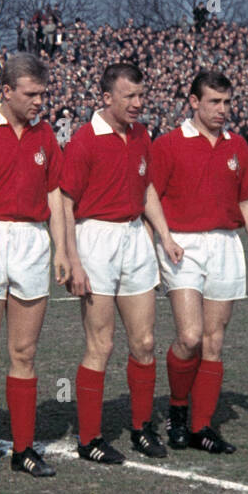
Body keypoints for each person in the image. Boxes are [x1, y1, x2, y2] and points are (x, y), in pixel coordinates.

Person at [63, 62, 181, 461]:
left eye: (140, 96)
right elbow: (64, 201)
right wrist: (71, 258)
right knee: (101, 344)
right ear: (106, 97)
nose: (137, 103)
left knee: (144, 341)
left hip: (135, 238)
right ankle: (89, 439)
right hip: (96, 238)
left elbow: (145, 185)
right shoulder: (84, 140)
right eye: (128, 96)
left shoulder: (142, 134)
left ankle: (141, 428)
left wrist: (164, 235)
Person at [0, 53, 68, 477]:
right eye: (31, 94)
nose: (39, 101)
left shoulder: (46, 137)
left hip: (32, 242)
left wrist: (61, 249)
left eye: (42, 93)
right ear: (6, 92)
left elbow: (55, 193)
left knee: (24, 352)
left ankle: (23, 450)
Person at [150, 69, 248, 454]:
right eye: (214, 102)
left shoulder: (237, 146)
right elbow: (149, 192)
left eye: (227, 102)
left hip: (225, 244)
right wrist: (163, 239)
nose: (222, 110)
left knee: (214, 343)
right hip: (182, 246)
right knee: (190, 337)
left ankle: (202, 427)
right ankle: (178, 411)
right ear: (194, 102)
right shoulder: (169, 144)